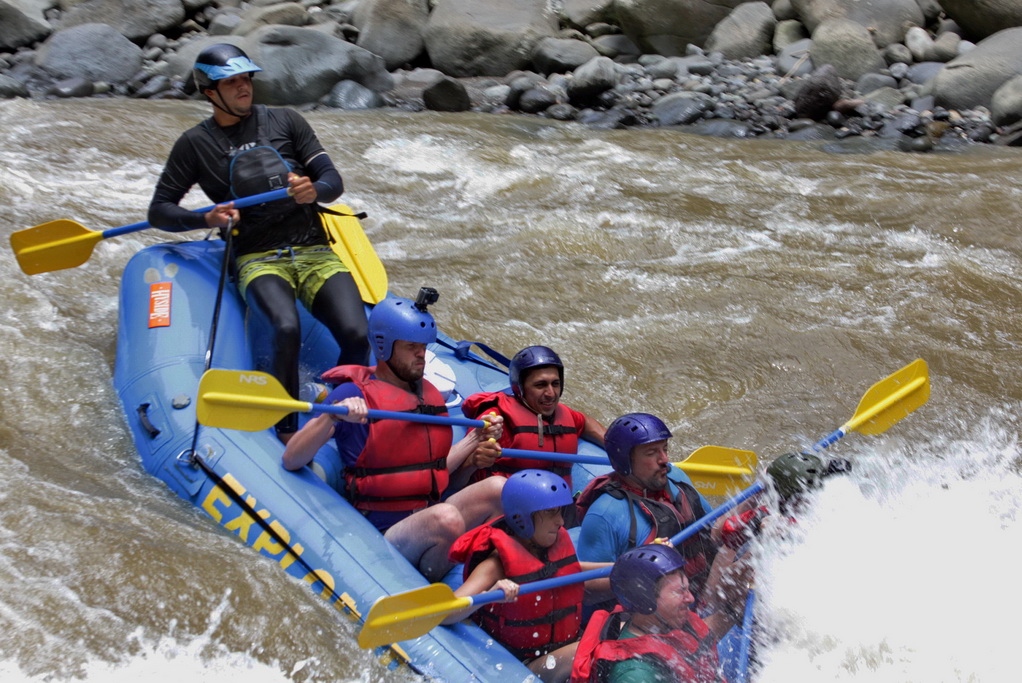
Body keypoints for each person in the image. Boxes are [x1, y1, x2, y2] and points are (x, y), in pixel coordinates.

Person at [148, 43, 369, 443]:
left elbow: (332, 181)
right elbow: (159, 211)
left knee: (357, 334)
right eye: (230, 82)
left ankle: (341, 412)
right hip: (258, 257)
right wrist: (206, 217)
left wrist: (312, 191)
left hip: (315, 250)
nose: (243, 88)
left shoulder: (286, 120)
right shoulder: (194, 144)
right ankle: (287, 431)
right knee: (286, 327)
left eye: (245, 78)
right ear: (209, 92)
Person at [281, 292, 504, 581]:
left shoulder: (430, 394)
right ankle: (438, 582)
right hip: (381, 532)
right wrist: (331, 416)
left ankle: (475, 572)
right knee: (445, 518)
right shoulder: (353, 394)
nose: (421, 354)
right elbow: (291, 458)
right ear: (384, 347)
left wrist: (475, 439)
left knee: (499, 487)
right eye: (411, 347)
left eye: (423, 347)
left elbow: (432, 473)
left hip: (427, 514)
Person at [445, 469, 613, 683]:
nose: (561, 522)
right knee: (598, 645)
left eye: (561, 512)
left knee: (615, 627)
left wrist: (625, 566)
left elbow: (573, 569)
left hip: (559, 649)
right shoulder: (495, 565)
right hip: (525, 665)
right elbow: (448, 612)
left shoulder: (546, 548)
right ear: (522, 518)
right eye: (552, 513)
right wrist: (491, 594)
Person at [575, 413, 722, 600]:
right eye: (652, 453)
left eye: (664, 449)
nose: (664, 460)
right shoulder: (605, 514)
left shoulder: (675, 477)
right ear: (625, 461)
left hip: (701, 587)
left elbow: (713, 529)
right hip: (650, 612)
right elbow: (586, 590)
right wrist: (640, 571)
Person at [571, 543, 744, 683]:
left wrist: (733, 611)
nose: (690, 598)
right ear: (645, 601)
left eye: (687, 589)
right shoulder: (635, 674)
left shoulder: (665, 624)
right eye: (679, 591)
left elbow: (697, 642)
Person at [461, 345, 606, 489]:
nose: (551, 393)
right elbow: (455, 479)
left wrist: (617, 447)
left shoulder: (565, 414)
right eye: (540, 385)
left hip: (555, 505)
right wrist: (472, 462)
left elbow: (586, 422)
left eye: (555, 384)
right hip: (509, 506)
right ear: (520, 388)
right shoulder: (496, 419)